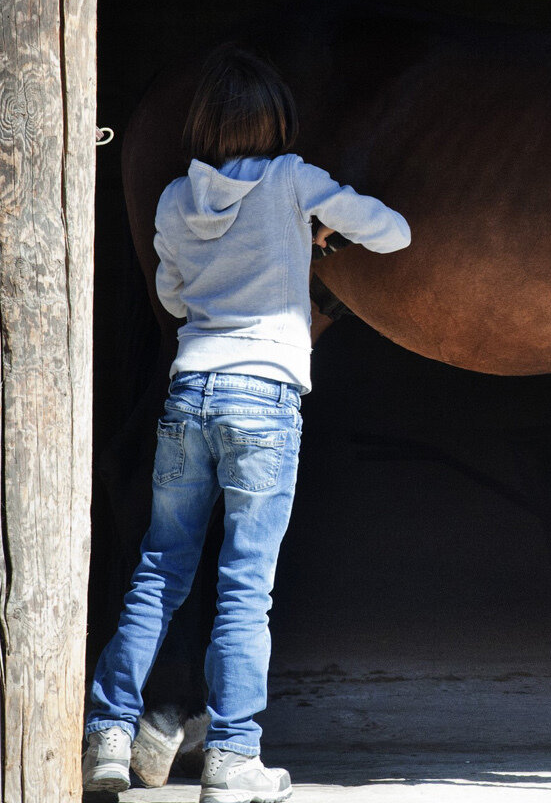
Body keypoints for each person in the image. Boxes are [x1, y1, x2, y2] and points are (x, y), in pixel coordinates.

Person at [82, 45, 412, 803]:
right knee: (244, 589)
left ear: (203, 126)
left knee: (158, 571)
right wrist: (317, 234)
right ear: (278, 124)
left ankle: (109, 734)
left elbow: (171, 296)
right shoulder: (295, 182)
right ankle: (233, 757)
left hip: (190, 391)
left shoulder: (171, 200)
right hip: (263, 399)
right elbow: (394, 232)